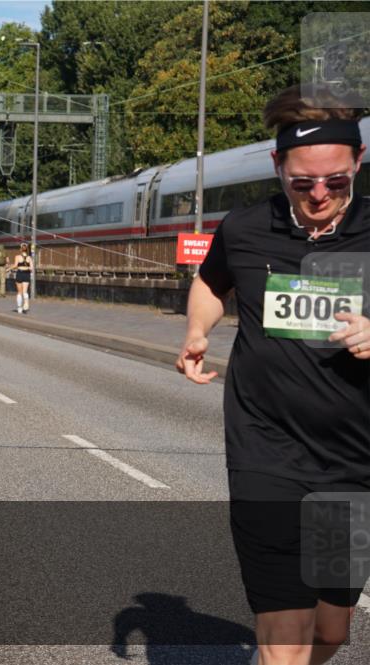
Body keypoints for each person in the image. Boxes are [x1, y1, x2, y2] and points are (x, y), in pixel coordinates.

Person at [177, 85, 369, 665]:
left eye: (335, 181)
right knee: (285, 640)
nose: (318, 194)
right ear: (277, 165)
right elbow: (212, 282)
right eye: (302, 181)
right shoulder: (246, 228)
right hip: (267, 452)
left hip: (351, 460)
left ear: (357, 162)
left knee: (331, 632)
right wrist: (196, 331)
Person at [10, 242, 33, 313]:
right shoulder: (29, 258)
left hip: (20, 273)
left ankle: (19, 308)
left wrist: (8, 269)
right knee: (25, 291)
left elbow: (15, 265)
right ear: (27, 249)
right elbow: (31, 268)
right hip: (27, 274)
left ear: (21, 249)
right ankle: (26, 305)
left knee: (19, 292)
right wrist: (27, 268)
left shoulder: (17, 257)